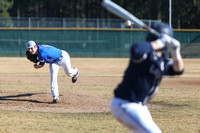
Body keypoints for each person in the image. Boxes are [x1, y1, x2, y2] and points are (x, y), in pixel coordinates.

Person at [110, 22, 184, 133]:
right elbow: (135, 50)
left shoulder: (162, 60)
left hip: (140, 106)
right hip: (126, 104)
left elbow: (178, 70)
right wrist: (160, 42)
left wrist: (176, 54)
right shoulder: (145, 55)